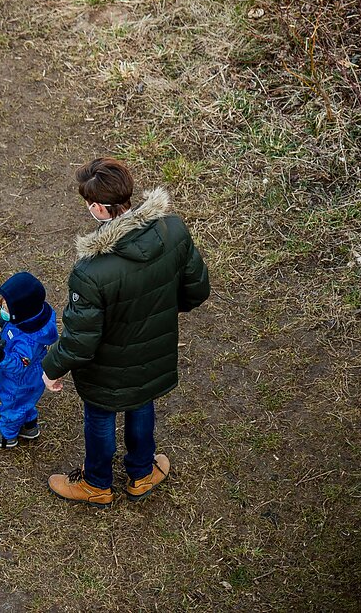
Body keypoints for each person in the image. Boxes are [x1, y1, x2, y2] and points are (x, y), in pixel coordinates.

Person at [41, 157, 210, 505]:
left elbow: (80, 340)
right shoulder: (174, 229)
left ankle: (96, 483)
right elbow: (197, 289)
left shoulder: (91, 271)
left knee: (101, 415)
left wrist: (51, 367)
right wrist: (162, 310)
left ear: (98, 208)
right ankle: (142, 473)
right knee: (141, 402)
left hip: (106, 364)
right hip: (152, 352)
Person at [0, 271, 58, 449]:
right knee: (25, 402)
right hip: (31, 377)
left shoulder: (27, 340)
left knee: (13, 406)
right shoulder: (34, 317)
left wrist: (2, 357)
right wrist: (6, 325)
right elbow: (17, 327)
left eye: (6, 309)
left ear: (20, 313)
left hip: (19, 381)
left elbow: (20, 365)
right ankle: (29, 426)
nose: (2, 310)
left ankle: (6, 436)